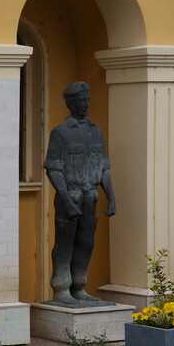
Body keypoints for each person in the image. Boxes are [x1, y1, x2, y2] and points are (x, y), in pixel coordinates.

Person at [43, 81, 116, 305]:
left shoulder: (96, 132)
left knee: (86, 242)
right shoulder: (61, 133)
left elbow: (104, 169)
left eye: (87, 100)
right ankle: (61, 288)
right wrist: (67, 200)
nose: (85, 105)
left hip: (90, 197)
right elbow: (53, 169)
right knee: (65, 242)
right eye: (81, 101)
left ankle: (79, 286)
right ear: (71, 103)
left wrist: (111, 198)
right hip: (70, 196)